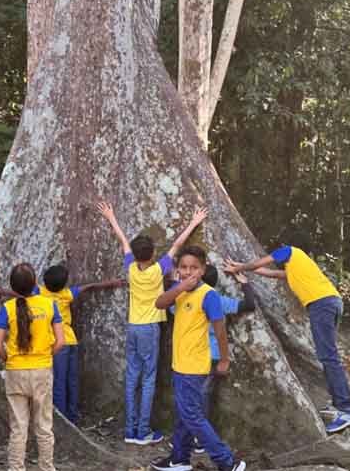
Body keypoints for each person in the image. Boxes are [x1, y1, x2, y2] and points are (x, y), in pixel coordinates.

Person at [97, 202, 207, 445]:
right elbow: (178, 245)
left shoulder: (131, 269)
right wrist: (194, 222)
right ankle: (143, 431)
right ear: (152, 254)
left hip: (133, 328)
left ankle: (129, 430)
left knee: (132, 377)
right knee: (148, 379)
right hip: (149, 329)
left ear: (136, 256)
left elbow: (123, 241)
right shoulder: (158, 270)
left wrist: (111, 216)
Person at [225, 244, 350, 433]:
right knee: (328, 355)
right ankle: (339, 403)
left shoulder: (290, 251)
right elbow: (272, 273)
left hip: (321, 304)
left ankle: (346, 409)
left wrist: (238, 267)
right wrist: (242, 268)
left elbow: (260, 262)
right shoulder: (297, 269)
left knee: (328, 356)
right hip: (331, 302)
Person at [152, 246, 246, 471]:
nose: (188, 272)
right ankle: (179, 458)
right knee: (185, 414)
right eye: (183, 267)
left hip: (194, 366)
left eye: (194, 268)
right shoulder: (180, 290)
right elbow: (159, 303)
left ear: (203, 270)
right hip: (179, 363)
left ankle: (227, 461)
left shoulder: (209, 295)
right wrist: (181, 286)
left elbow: (220, 329)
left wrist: (224, 359)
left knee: (192, 415)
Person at [0, 265, 123, 424]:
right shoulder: (67, 294)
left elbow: (22, 294)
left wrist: (3, 292)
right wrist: (112, 282)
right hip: (70, 341)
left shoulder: (41, 293)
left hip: (57, 344)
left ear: (44, 282)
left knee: (58, 383)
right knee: (72, 381)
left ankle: (62, 420)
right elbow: (89, 287)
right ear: (63, 284)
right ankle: (72, 417)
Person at [169, 265, 259, 455]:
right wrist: (245, 284)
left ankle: (192, 439)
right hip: (213, 356)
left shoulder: (183, 298)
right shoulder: (217, 300)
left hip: (192, 355)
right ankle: (198, 440)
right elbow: (249, 304)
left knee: (190, 400)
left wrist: (176, 282)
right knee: (203, 396)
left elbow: (168, 305)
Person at [0, 263, 64, 471]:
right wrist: (43, 357)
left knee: (18, 428)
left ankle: (16, 468)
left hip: (15, 371)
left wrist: (10, 359)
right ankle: (46, 467)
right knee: (44, 426)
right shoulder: (50, 305)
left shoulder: (6, 309)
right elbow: (60, 342)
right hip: (42, 370)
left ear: (13, 287)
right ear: (35, 283)